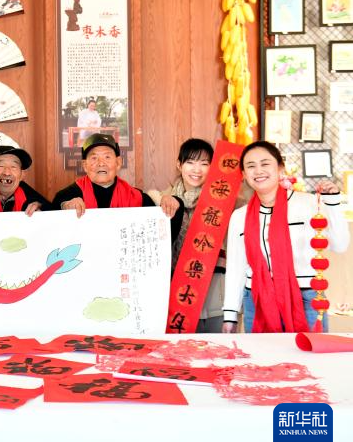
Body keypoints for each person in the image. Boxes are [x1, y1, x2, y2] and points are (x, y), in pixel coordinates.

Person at [222, 141, 349, 334]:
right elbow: (235, 267)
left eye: (265, 164)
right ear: (244, 174)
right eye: (251, 166)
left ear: (280, 168)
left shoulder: (308, 204)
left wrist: (332, 203)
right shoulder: (239, 217)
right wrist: (230, 315)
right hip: (256, 300)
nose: (258, 170)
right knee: (261, 354)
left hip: (306, 297)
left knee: (310, 353)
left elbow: (339, 245)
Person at [148, 138, 245, 333]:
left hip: (218, 291)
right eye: (190, 162)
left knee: (219, 347)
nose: (197, 170)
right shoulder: (160, 200)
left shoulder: (228, 201)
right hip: (177, 294)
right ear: (179, 165)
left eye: (204, 163)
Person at [53, 133, 184, 235]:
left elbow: (162, 233)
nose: (101, 163)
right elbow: (50, 226)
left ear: (118, 163)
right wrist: (64, 208)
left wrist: (174, 202)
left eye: (107, 157)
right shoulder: (68, 196)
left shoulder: (136, 197)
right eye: (94, 158)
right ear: (84, 165)